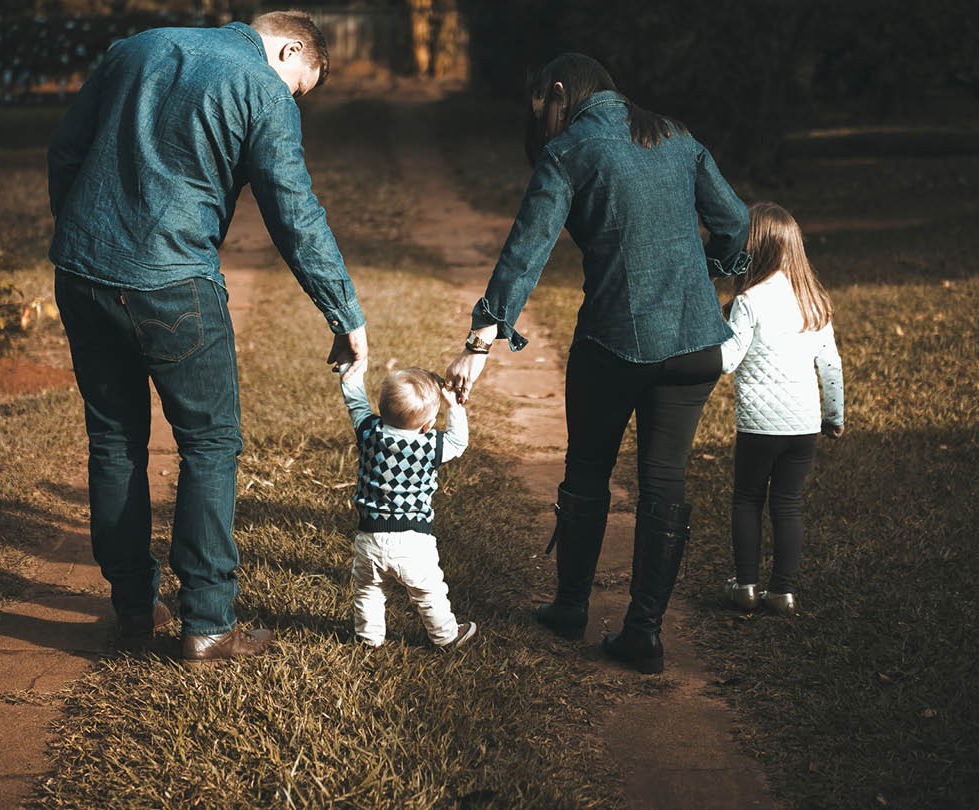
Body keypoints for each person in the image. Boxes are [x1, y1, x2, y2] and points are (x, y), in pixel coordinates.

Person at [47, 10, 368, 665]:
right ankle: (210, 624)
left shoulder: (133, 47)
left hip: (81, 272)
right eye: (300, 86)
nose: (293, 99)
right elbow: (295, 216)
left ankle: (134, 607)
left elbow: (65, 150)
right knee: (210, 444)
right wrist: (344, 315)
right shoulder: (262, 89)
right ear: (290, 47)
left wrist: (86, 238)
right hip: (173, 284)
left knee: (114, 438)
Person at [445, 53, 749, 674]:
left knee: (587, 472)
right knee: (665, 481)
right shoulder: (676, 136)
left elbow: (524, 255)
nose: (546, 124)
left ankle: (570, 608)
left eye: (544, 109)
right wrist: (712, 271)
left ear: (559, 92)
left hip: (613, 345)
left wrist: (479, 346)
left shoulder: (571, 151)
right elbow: (736, 223)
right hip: (695, 347)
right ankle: (644, 634)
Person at [720, 202, 844, 617]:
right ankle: (783, 593)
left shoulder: (749, 301)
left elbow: (728, 360)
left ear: (753, 248)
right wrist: (834, 417)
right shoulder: (813, 302)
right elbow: (830, 365)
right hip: (804, 425)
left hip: (758, 426)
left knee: (748, 499)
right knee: (787, 504)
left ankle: (746, 588)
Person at [338, 363, 476, 649]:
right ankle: (446, 636)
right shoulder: (430, 445)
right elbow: (459, 442)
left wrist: (349, 372)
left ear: (382, 409)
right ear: (427, 425)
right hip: (413, 542)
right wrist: (454, 406)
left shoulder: (369, 433)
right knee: (429, 592)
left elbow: (355, 404)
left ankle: (368, 638)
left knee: (368, 590)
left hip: (370, 538)